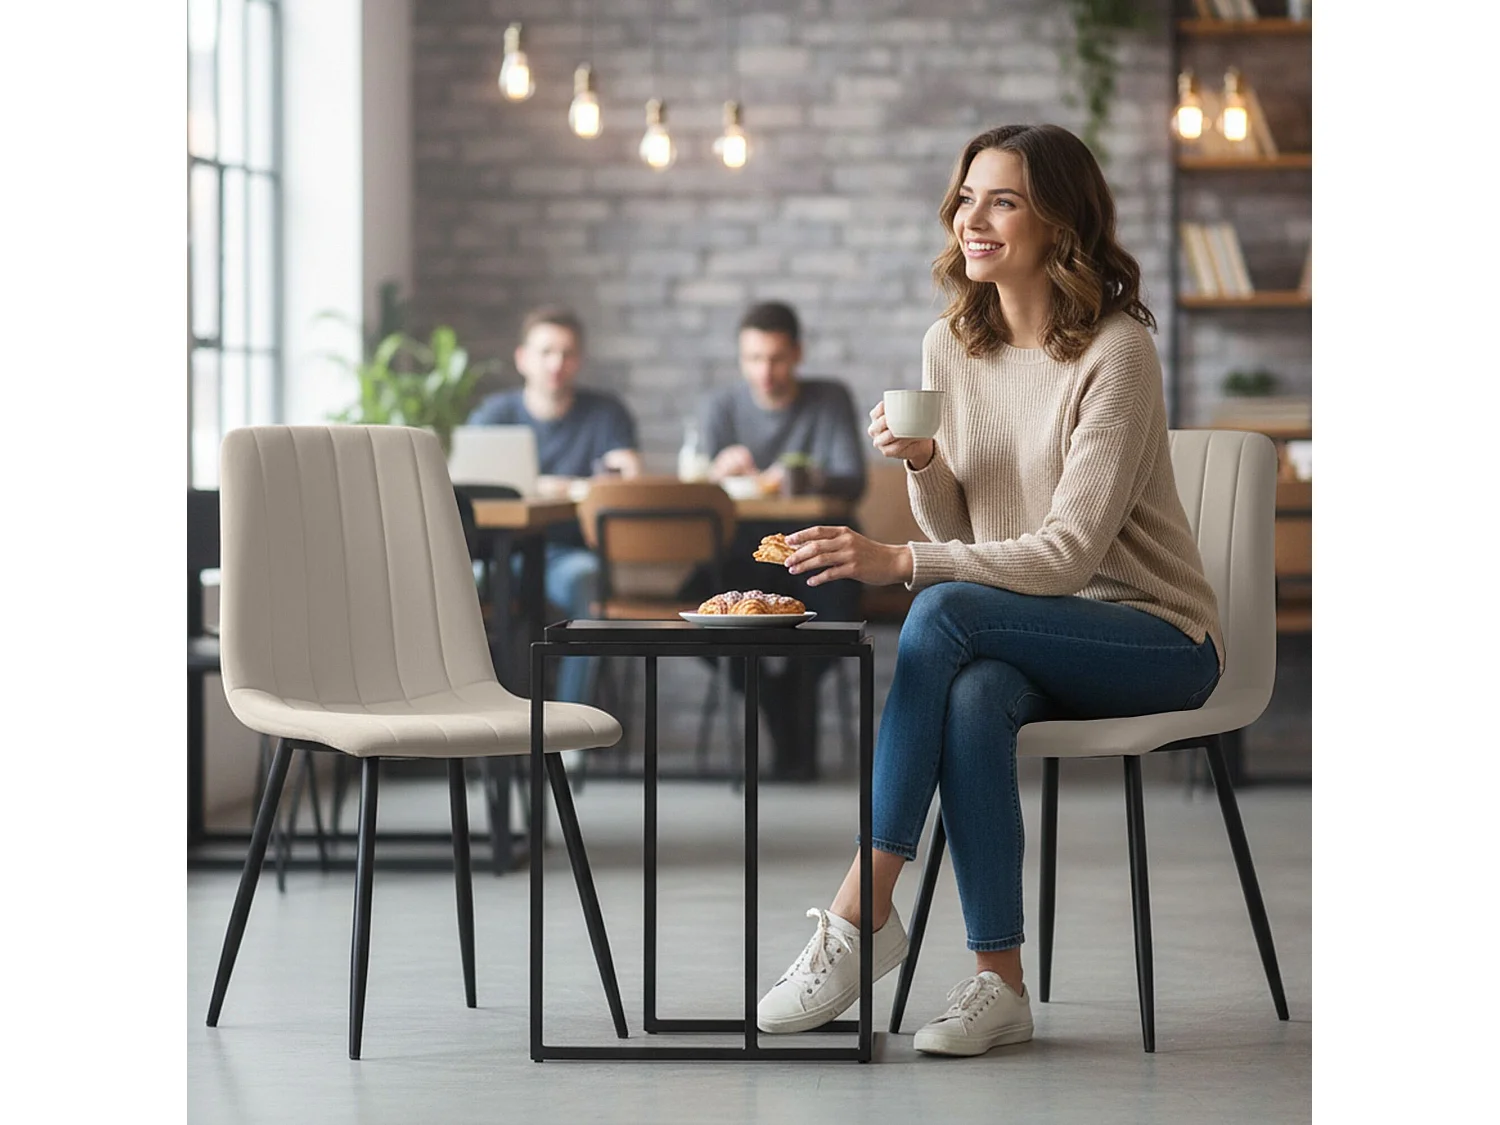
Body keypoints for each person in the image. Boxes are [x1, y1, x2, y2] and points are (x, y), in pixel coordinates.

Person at [754, 124, 1225, 1058]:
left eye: (1002, 199)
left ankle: (860, 908)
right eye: (967, 197)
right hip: (1029, 630)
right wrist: (927, 464)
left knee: (937, 605)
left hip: (1152, 636)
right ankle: (999, 983)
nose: (974, 219)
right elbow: (969, 540)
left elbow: (1061, 556)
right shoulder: (949, 344)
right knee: (970, 693)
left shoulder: (1115, 351)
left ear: (1060, 221)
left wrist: (895, 562)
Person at [687, 301, 869, 779]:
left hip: (816, 546)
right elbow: (703, 491)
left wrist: (788, 476)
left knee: (837, 616)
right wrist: (715, 474)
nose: (765, 372)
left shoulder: (828, 398)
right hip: (740, 545)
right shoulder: (721, 407)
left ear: (797, 355)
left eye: (776, 359)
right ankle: (775, 697)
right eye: (753, 359)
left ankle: (787, 692)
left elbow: (851, 480)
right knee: (695, 604)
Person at [467, 305, 642, 705]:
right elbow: (469, 487)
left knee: (586, 581)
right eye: (546, 352)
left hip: (569, 553)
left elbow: (627, 478)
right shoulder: (494, 415)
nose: (556, 363)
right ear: (522, 358)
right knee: (451, 589)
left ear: (579, 360)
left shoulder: (606, 414)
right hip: (498, 555)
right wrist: (551, 486)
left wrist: (627, 470)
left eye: (567, 353)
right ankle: (482, 721)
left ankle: (568, 731)